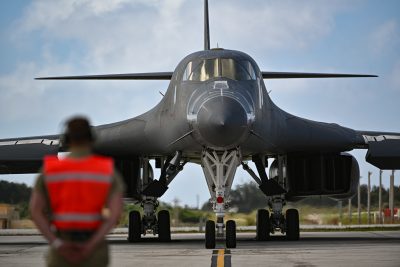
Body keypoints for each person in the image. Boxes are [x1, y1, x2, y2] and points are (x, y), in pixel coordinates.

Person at [30, 116, 124, 267]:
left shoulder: (50, 170)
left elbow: (35, 211)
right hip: (94, 251)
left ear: (66, 139)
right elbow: (115, 214)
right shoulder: (107, 171)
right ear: (92, 138)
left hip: (62, 250)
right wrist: (92, 245)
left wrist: (57, 243)